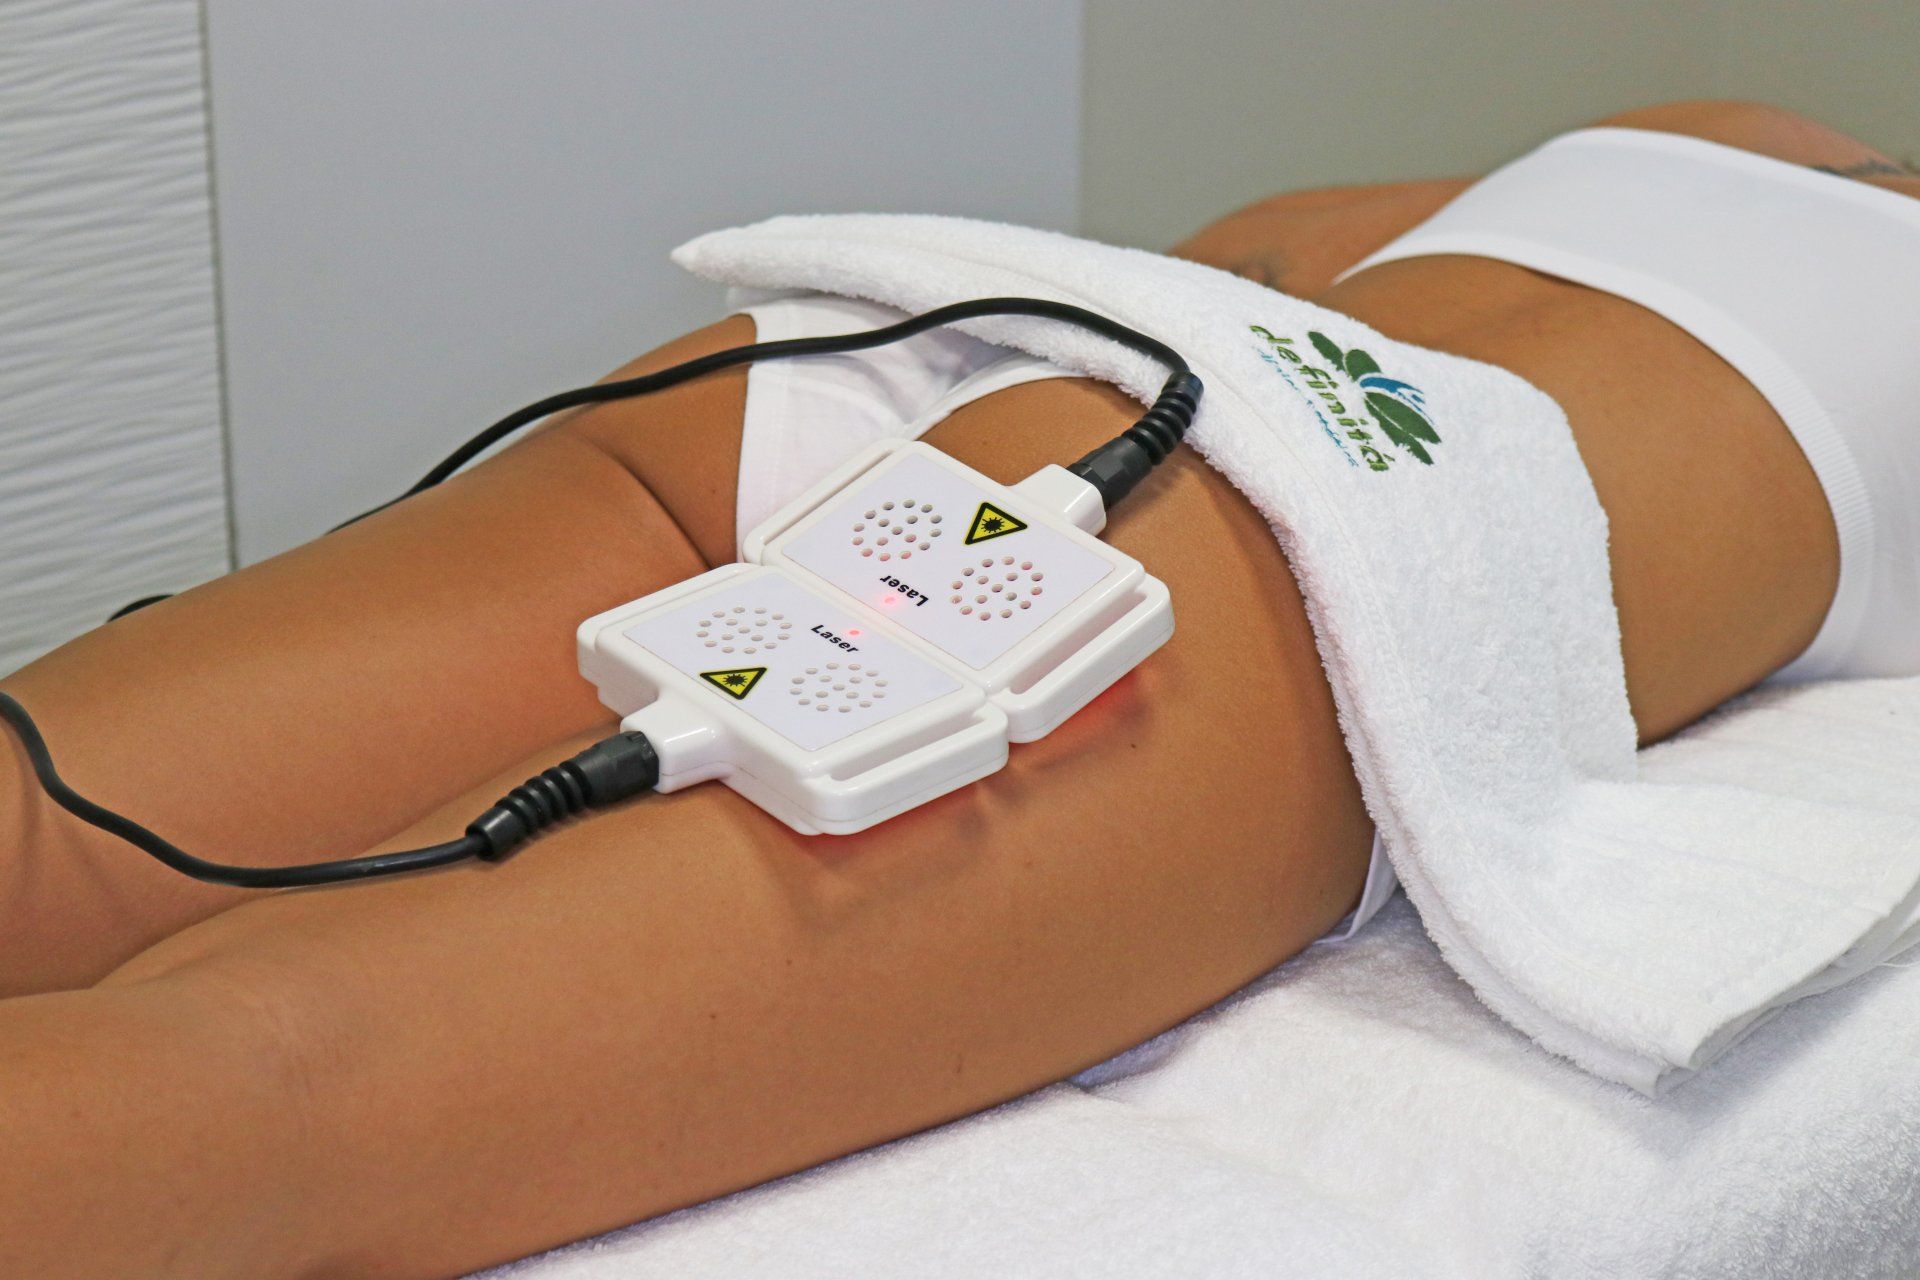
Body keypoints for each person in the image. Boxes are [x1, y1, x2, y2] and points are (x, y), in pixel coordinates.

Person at [1, 100, 1914, 1277]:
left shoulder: (1716, 130)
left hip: (929, 374)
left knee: (40, 840)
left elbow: (1258, 260)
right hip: (1273, 544)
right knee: (244, 1108)